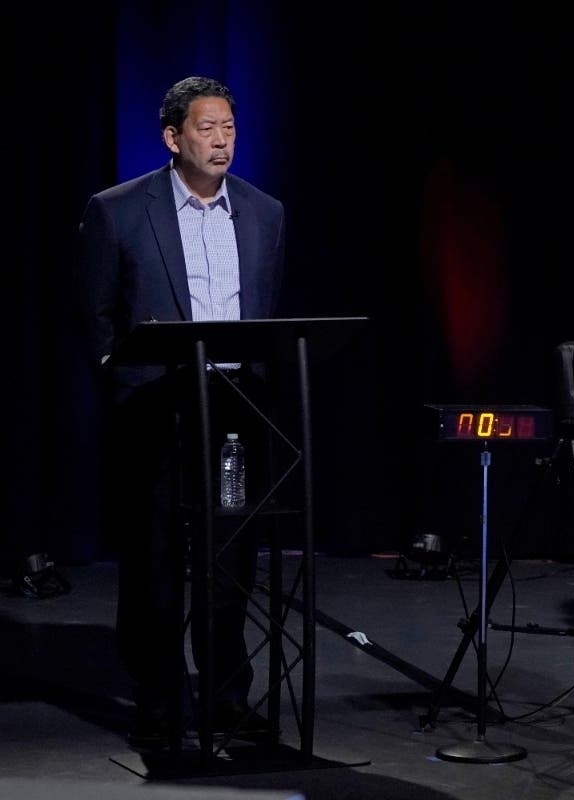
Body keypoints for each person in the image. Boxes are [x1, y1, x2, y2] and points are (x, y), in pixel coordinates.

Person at [75, 76, 286, 749]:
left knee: (229, 568)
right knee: (155, 568)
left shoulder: (264, 212)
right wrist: (123, 384)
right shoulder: (119, 209)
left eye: (229, 128)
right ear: (173, 137)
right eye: (206, 129)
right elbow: (99, 318)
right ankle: (160, 699)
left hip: (237, 413)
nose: (221, 141)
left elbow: (266, 313)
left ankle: (226, 698)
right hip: (157, 412)